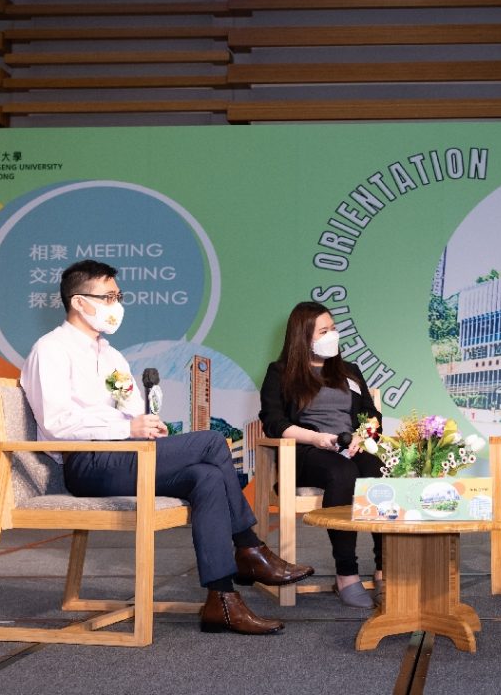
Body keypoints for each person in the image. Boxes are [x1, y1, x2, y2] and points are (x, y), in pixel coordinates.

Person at [21, 260, 313, 636]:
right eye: (108, 297)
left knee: (206, 477)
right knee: (209, 441)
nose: (116, 305)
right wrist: (126, 426)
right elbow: (56, 421)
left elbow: (128, 411)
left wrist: (141, 424)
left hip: (126, 455)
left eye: (118, 296)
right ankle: (248, 547)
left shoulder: (110, 355)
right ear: (79, 302)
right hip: (87, 462)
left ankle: (222, 600)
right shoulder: (51, 350)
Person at [259, 301, 385, 609]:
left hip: (351, 446)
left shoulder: (350, 372)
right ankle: (347, 574)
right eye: (324, 331)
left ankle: (385, 569)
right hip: (305, 452)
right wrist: (317, 439)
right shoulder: (281, 373)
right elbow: (274, 422)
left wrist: (361, 435)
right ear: (303, 337)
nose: (333, 335)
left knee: (380, 472)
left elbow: (371, 413)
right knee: (342, 473)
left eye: (334, 328)